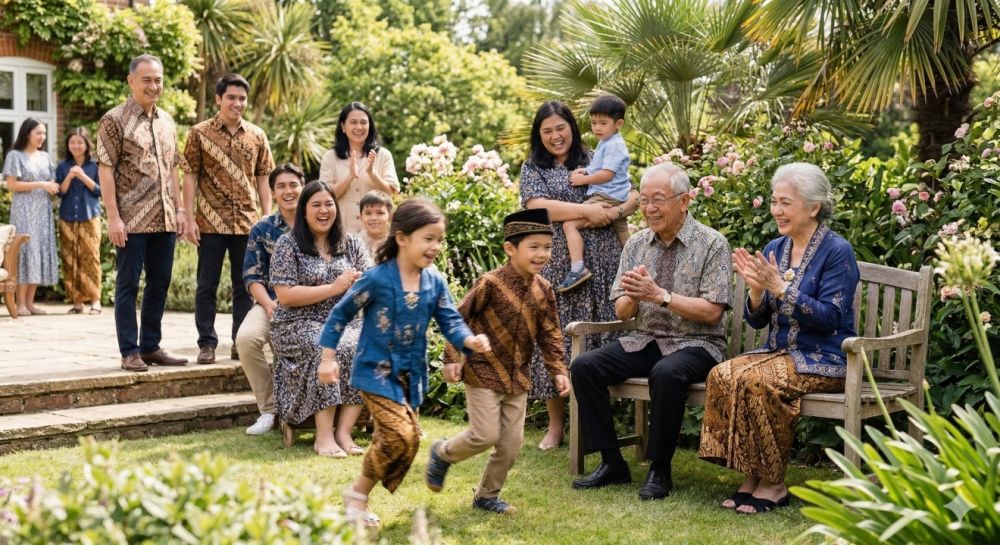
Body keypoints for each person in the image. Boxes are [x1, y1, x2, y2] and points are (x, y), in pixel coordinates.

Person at [317, 198, 491, 527]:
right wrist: (327, 358)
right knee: (399, 435)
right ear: (402, 238)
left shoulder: (435, 282)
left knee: (405, 440)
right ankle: (356, 496)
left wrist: (469, 340)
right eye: (428, 238)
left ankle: (357, 497)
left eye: (439, 239)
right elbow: (340, 314)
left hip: (411, 377)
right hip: (374, 373)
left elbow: (451, 321)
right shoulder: (378, 278)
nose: (436, 246)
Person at [699, 162, 859, 515]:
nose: (777, 210)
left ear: (813, 207)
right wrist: (757, 292)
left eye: (785, 202)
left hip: (827, 358)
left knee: (758, 382)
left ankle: (773, 483)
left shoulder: (837, 251)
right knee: (722, 374)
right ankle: (750, 476)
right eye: (774, 202)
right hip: (779, 351)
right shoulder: (775, 246)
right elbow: (756, 319)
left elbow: (831, 318)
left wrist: (781, 288)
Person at [570, 163, 732, 501]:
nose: (649, 209)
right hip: (644, 339)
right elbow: (622, 311)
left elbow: (713, 311)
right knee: (585, 366)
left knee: (666, 372)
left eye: (658, 200)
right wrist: (634, 294)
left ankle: (659, 468)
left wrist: (662, 296)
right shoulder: (636, 244)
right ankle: (612, 461)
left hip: (697, 343)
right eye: (643, 200)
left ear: (685, 200)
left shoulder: (712, 243)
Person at [423, 208, 571, 515]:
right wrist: (452, 357)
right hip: (483, 371)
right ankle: (443, 452)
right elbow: (458, 317)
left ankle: (487, 496)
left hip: (518, 377)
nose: (542, 253)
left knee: (511, 444)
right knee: (484, 435)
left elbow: (550, 333)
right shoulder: (490, 283)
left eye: (547, 247)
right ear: (510, 248)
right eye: (534, 246)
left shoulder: (544, 290)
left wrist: (558, 369)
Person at [520, 100, 637, 450]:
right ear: (539, 136)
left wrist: (614, 210)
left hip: (603, 261)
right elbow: (538, 207)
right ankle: (556, 426)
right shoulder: (533, 167)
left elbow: (631, 192)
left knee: (601, 339)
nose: (556, 136)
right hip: (558, 263)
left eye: (561, 128)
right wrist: (586, 210)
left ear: (572, 126)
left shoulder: (598, 152)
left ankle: (597, 425)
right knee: (553, 341)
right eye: (548, 131)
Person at [97, 53, 188, 372]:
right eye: (147, 79)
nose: (154, 85)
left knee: (160, 282)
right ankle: (129, 351)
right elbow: (105, 170)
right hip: (131, 219)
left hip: (164, 218)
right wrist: (113, 217)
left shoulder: (168, 121)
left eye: (158, 80)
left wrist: (179, 209)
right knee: (127, 285)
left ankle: (150, 346)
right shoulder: (114, 119)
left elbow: (174, 170)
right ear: (131, 81)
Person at [269, 180, 369, 457]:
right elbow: (285, 295)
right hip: (296, 322)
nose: (324, 210)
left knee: (361, 347)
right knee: (325, 347)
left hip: (345, 320)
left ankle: (344, 433)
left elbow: (370, 283)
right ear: (304, 211)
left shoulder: (352, 244)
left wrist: (360, 285)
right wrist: (334, 288)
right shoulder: (288, 245)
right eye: (316, 205)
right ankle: (323, 437)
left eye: (329, 204)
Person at [182, 73, 275, 364]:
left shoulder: (257, 135)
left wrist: (267, 218)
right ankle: (207, 344)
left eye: (242, 98)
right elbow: (190, 176)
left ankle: (239, 342)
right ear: (219, 99)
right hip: (209, 222)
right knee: (206, 285)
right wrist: (189, 217)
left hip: (248, 223)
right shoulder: (199, 133)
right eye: (231, 98)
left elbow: (263, 178)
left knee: (244, 286)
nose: (237, 103)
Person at [235, 163, 304, 436]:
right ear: (273, 192)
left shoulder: (316, 220)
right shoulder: (262, 228)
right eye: (281, 187)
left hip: (308, 303)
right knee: (246, 338)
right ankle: (269, 409)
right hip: (271, 302)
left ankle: (300, 407)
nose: (288, 191)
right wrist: (269, 305)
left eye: (293, 185)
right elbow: (252, 277)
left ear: (303, 186)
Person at [559, 94, 633, 293]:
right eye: (593, 123)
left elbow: (607, 174)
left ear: (618, 124)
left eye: (603, 123)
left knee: (569, 224)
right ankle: (635, 269)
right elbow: (601, 167)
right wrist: (587, 170)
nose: (597, 128)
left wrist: (583, 179)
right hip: (617, 195)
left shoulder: (615, 145)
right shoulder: (607, 142)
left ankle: (577, 268)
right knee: (622, 234)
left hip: (606, 196)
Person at [2, 118, 58, 316]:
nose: (42, 137)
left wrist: (51, 185)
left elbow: (52, 180)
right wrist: (41, 185)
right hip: (24, 210)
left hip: (43, 211)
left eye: (44, 133)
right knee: (24, 252)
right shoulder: (15, 155)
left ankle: (30, 303)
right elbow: (12, 185)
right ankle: (20, 304)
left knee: (39, 251)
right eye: (38, 133)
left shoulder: (45, 157)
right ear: (27, 134)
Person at [318, 102, 399, 235]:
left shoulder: (383, 155)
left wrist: (372, 174)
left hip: (375, 234)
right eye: (353, 122)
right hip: (341, 232)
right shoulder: (330, 157)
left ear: (370, 126)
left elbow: (390, 194)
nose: (359, 127)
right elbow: (326, 197)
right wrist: (350, 177)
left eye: (363, 122)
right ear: (343, 127)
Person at [56, 127, 103, 315]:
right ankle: (77, 302)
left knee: (91, 257)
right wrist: (70, 175)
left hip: (90, 216)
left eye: (79, 142)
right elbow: (61, 191)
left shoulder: (96, 166)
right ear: (68, 145)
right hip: (67, 217)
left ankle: (96, 301)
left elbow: (100, 191)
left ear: (86, 144)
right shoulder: (62, 166)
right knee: (70, 259)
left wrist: (82, 176)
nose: (76, 146)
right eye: (72, 142)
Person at [357, 190, 392, 258]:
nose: (373, 218)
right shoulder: (355, 242)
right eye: (368, 213)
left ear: (390, 216)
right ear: (361, 217)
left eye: (380, 213)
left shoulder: (395, 243)